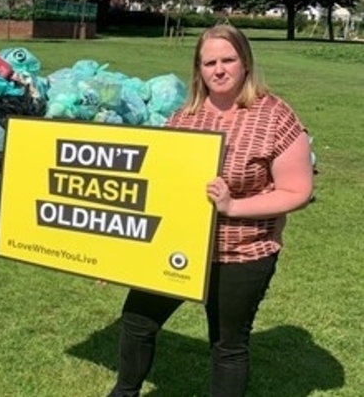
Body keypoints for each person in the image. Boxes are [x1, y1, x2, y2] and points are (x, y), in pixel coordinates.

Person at [106, 25, 314, 397]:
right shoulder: (184, 117)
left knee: (227, 345)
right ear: (198, 69)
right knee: (138, 321)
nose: (219, 69)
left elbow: (297, 190)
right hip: (178, 247)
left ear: (245, 62)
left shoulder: (274, 115)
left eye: (228, 60)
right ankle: (123, 393)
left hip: (242, 253)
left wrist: (234, 206)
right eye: (209, 62)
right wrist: (117, 257)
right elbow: (156, 189)